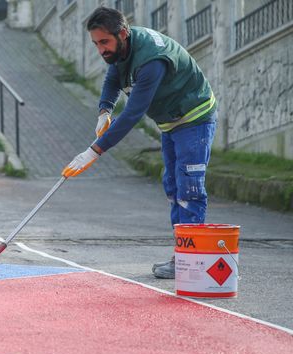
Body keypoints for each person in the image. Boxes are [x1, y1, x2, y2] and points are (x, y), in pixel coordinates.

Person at [62, 7, 217, 279]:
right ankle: (181, 255)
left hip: (195, 118)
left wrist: (94, 151)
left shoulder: (151, 60)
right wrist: (104, 110)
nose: (101, 50)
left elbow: (133, 112)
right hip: (171, 122)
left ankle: (191, 261)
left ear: (122, 33)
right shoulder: (122, 49)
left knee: (189, 189)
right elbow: (113, 76)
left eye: (104, 42)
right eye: (96, 43)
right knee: (172, 186)